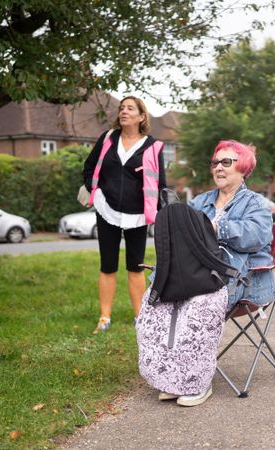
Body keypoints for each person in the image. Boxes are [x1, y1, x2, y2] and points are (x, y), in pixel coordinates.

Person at [157, 140, 275, 407]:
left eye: (226, 162)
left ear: (243, 168)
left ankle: (198, 382)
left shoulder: (256, 203)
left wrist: (215, 228)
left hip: (242, 280)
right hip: (199, 275)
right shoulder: (200, 201)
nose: (218, 168)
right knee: (161, 301)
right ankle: (175, 377)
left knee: (199, 303)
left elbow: (257, 236)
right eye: (215, 162)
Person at [83, 96, 166, 334]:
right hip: (106, 210)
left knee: (135, 267)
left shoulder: (153, 146)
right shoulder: (108, 139)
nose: (124, 111)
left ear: (141, 117)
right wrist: (94, 189)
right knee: (107, 265)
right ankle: (104, 318)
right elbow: (89, 167)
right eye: (121, 108)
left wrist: (163, 214)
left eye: (130, 108)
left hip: (138, 215)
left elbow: (160, 184)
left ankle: (140, 318)